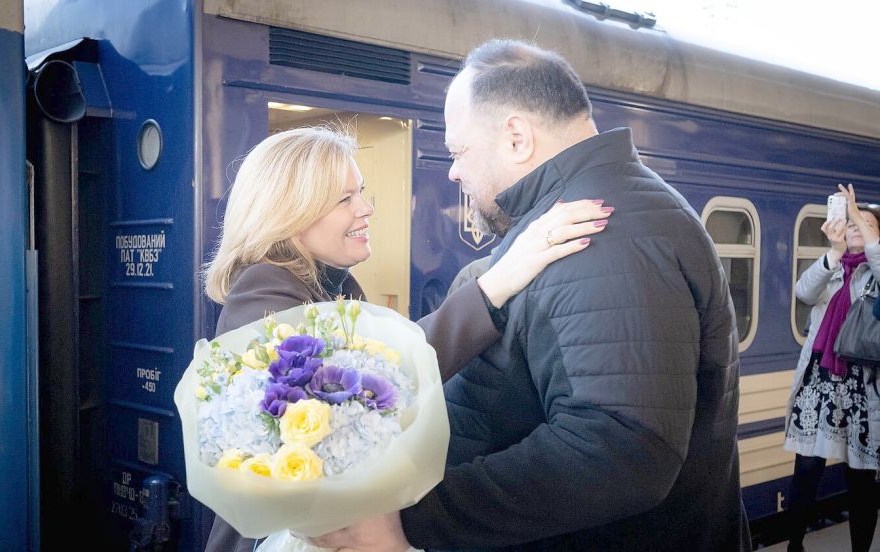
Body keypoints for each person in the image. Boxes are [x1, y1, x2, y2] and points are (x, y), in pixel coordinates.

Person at [310, 39, 748, 552]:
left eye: (458, 152)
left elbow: (621, 447)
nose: (452, 171)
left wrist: (418, 518)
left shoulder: (598, 234)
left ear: (516, 137)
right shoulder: (598, 211)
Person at [201, 125, 612, 552]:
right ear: (289, 213)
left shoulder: (332, 286)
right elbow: (368, 379)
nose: (366, 208)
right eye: (345, 199)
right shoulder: (264, 290)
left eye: (361, 191)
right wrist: (497, 283)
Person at [783, 187, 880, 552]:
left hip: (862, 388)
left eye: (866, 224)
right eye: (854, 223)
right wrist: (834, 252)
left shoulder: (875, 274)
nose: (856, 227)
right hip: (821, 383)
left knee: (860, 480)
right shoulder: (834, 268)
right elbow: (803, 292)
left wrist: (857, 214)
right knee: (806, 471)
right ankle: (795, 545)